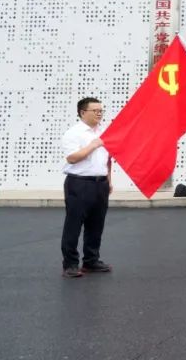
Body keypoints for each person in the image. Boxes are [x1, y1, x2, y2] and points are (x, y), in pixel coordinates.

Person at [60, 97, 113, 278]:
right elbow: (72, 158)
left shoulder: (104, 131)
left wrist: (109, 179)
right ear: (83, 112)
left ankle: (91, 261)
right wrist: (92, 145)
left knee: (96, 224)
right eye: (95, 110)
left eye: (101, 110)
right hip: (79, 183)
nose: (99, 113)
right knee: (74, 224)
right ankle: (70, 264)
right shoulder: (73, 133)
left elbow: (108, 159)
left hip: (100, 183)